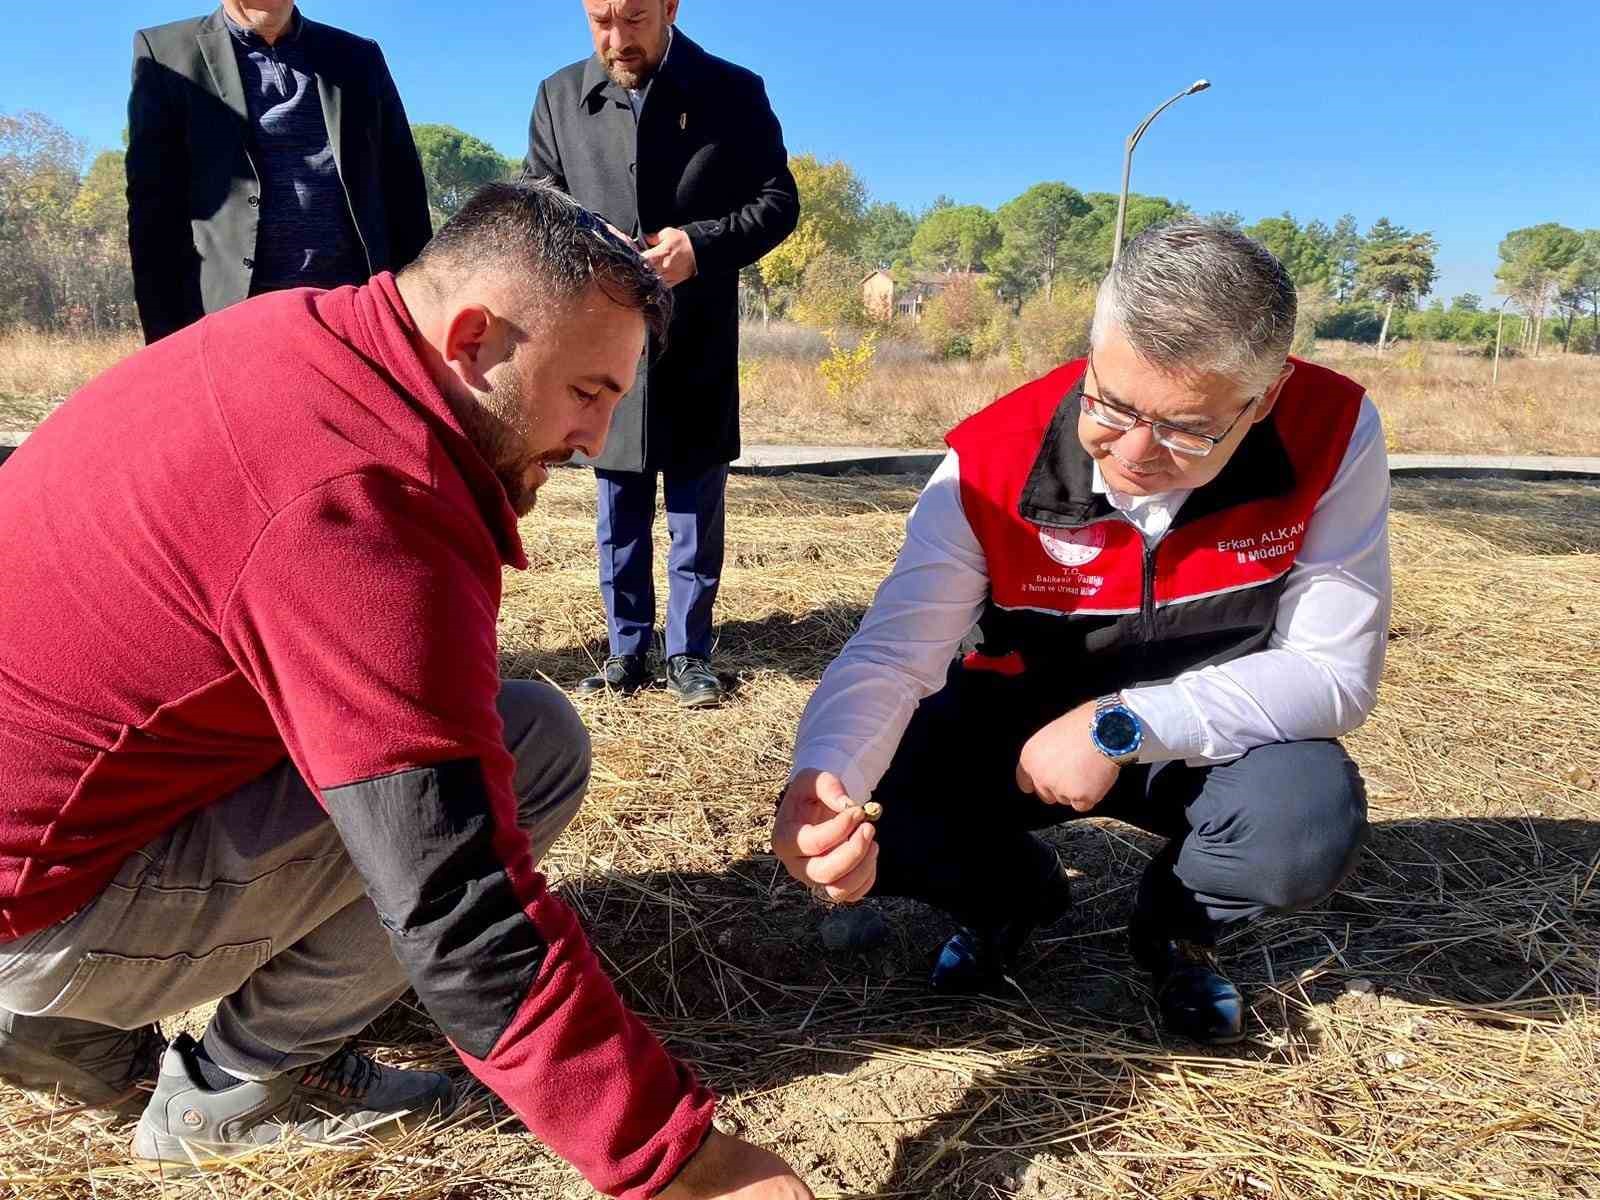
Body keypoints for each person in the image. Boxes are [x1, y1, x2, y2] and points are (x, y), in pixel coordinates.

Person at [0, 181, 812, 1200]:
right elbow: (458, 906)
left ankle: (56, 1019)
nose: (597, 439)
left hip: (45, 829)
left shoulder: (300, 339)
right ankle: (239, 1085)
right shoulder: (361, 500)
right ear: (472, 338)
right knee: (534, 747)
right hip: (38, 911)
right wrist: (682, 1165)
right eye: (587, 392)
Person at [772, 222, 1391, 1045]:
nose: (1135, 452)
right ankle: (1008, 898)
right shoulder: (991, 455)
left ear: (1265, 396)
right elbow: (893, 653)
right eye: (1113, 404)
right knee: (882, 792)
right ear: (1094, 347)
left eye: (1188, 428)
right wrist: (822, 783)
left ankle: (1175, 926)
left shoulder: (1333, 430)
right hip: (1013, 727)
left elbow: (1335, 672)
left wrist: (1124, 725)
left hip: (1203, 738)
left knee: (1306, 819)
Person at [525, 0, 800, 707]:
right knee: (616, 500)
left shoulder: (733, 91)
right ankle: (625, 649)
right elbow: (538, 195)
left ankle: (688, 653)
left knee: (692, 503)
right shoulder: (558, 96)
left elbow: (777, 202)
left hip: (697, 337)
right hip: (601, 341)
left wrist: (699, 246)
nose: (616, 40)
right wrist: (588, 237)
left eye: (635, 19)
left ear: (671, 7)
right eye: (599, 21)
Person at [127, 0, 432, 343]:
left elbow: (405, 197)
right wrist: (167, 346)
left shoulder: (359, 58)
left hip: (355, 320)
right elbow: (152, 216)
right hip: (232, 327)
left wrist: (419, 321)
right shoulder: (165, 54)